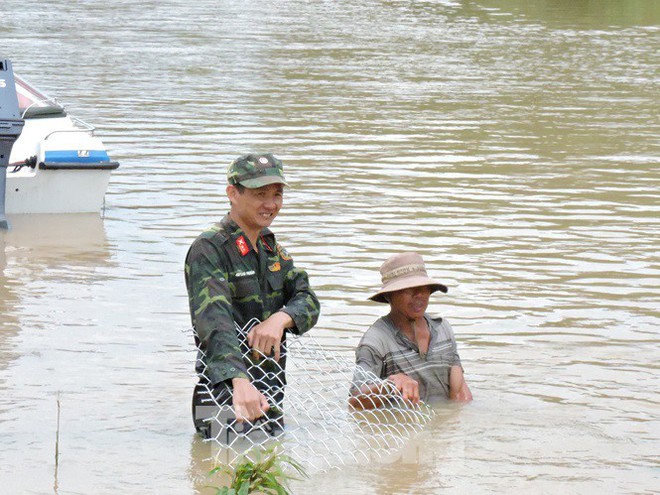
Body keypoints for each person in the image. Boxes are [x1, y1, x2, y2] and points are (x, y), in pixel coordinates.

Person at [185, 153, 320, 438]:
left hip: (270, 391)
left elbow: (307, 299)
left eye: (277, 194)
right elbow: (214, 322)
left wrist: (281, 319)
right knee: (219, 475)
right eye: (260, 194)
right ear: (233, 193)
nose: (270, 204)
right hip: (222, 392)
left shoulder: (272, 248)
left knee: (270, 471)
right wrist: (239, 380)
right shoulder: (210, 249)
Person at [350, 252, 472, 409]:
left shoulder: (443, 329)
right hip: (403, 428)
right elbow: (355, 400)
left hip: (441, 428)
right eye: (409, 289)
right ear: (389, 296)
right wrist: (391, 384)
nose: (419, 295)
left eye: (424, 288)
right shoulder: (376, 341)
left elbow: (460, 393)